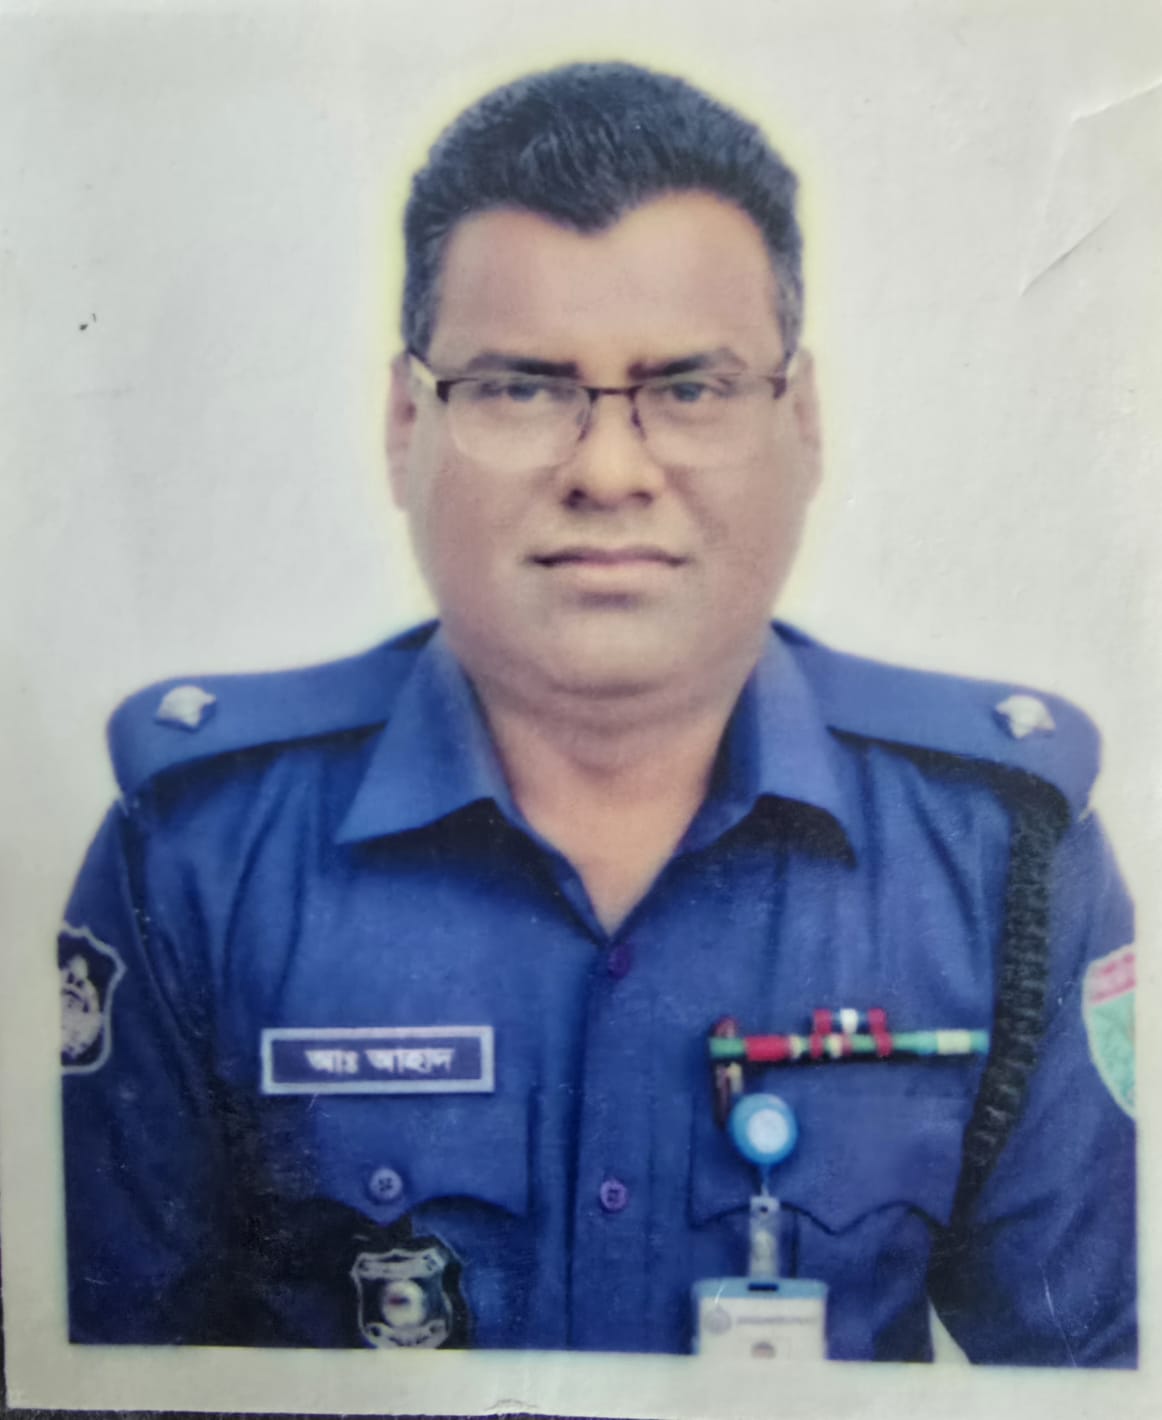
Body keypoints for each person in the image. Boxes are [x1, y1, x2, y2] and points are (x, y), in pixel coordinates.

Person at [59, 61, 1136, 1363]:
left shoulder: (999, 856)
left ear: (799, 420)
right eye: (521, 387)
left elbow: (1100, 1382)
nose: (611, 471)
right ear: (404, 423)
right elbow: (103, 1376)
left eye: (688, 387)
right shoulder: (199, 853)